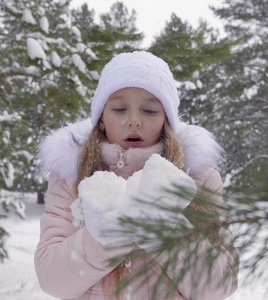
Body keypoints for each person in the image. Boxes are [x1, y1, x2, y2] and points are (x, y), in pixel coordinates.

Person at [34, 51, 238, 300]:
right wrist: (103, 237)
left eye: (150, 111)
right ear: (100, 119)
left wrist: (164, 227)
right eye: (119, 109)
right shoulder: (70, 178)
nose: (133, 121)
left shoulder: (197, 179)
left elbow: (219, 285)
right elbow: (52, 280)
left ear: (166, 120)